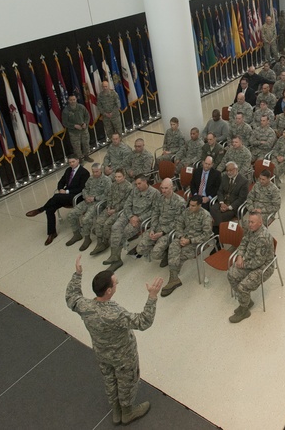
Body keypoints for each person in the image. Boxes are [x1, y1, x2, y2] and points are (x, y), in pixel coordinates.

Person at [66, 257, 162, 424]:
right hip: (123, 355)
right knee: (127, 382)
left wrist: (78, 274)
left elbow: (71, 296)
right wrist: (152, 297)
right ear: (109, 291)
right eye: (115, 283)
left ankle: (116, 411)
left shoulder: (85, 306)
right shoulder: (115, 313)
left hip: (102, 353)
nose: (117, 284)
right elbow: (143, 321)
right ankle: (127, 412)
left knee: (109, 379)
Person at [25, 155, 89, 245]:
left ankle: (40, 209)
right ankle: (52, 233)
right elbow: (61, 182)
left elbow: (82, 188)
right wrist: (60, 189)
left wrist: (66, 191)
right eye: (70, 162)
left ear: (78, 161)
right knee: (50, 209)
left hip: (76, 196)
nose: (71, 164)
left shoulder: (84, 172)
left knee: (56, 197)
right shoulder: (68, 170)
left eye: (73, 162)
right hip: (63, 196)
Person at [160, 196, 214, 296]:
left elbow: (206, 235)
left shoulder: (205, 216)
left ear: (199, 205)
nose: (190, 207)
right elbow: (178, 224)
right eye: (190, 204)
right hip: (183, 237)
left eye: (193, 206)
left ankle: (173, 279)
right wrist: (180, 237)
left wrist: (190, 241)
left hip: (195, 243)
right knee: (172, 248)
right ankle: (174, 279)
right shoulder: (186, 212)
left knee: (180, 256)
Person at [103, 175, 159, 272]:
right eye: (136, 184)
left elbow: (154, 211)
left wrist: (138, 218)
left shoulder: (155, 193)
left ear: (145, 181)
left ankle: (117, 259)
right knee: (115, 227)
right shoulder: (134, 190)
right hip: (129, 215)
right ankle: (114, 256)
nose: (137, 186)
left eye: (139, 183)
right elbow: (127, 204)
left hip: (140, 220)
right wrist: (130, 216)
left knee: (123, 233)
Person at [227, 211, 274, 324]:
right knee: (231, 275)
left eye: (252, 222)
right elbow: (244, 242)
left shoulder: (263, 237)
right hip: (249, 261)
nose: (250, 224)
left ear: (260, 222)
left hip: (263, 267)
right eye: (249, 221)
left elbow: (259, 261)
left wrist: (243, 264)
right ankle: (247, 302)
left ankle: (244, 310)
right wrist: (239, 255)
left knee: (243, 287)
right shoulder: (251, 229)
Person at [132, 179, 185, 265]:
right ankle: (158, 245)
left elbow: (178, 222)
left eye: (166, 188)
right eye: (162, 188)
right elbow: (155, 214)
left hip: (169, 231)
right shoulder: (160, 198)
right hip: (157, 227)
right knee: (140, 249)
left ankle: (167, 253)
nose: (163, 190)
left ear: (172, 187)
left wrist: (162, 233)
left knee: (155, 255)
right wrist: (152, 229)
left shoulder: (180, 202)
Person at [65, 162, 110, 251]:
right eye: (93, 171)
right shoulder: (90, 178)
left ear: (101, 171)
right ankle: (76, 234)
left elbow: (108, 195)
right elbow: (85, 189)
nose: (94, 173)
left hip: (98, 203)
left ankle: (87, 238)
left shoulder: (106, 180)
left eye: (96, 171)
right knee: (71, 215)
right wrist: (86, 196)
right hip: (87, 201)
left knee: (85, 219)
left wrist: (95, 198)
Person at [211, 161, 249, 226]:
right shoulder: (224, 177)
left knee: (220, 217)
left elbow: (241, 199)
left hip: (233, 206)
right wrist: (222, 203)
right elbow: (220, 191)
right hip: (223, 202)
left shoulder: (244, 181)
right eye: (227, 170)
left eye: (230, 170)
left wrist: (228, 207)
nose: (228, 172)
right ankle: (219, 230)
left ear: (236, 170)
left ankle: (217, 230)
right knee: (212, 209)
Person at [62, 94, 92, 160]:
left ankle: (87, 156)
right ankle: (79, 159)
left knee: (86, 144)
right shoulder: (66, 111)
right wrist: (74, 126)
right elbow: (65, 123)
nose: (73, 101)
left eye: (74, 99)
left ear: (76, 99)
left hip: (84, 130)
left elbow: (87, 116)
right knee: (76, 147)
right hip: (74, 132)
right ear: (68, 101)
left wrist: (85, 123)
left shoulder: (81, 107)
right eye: (71, 100)